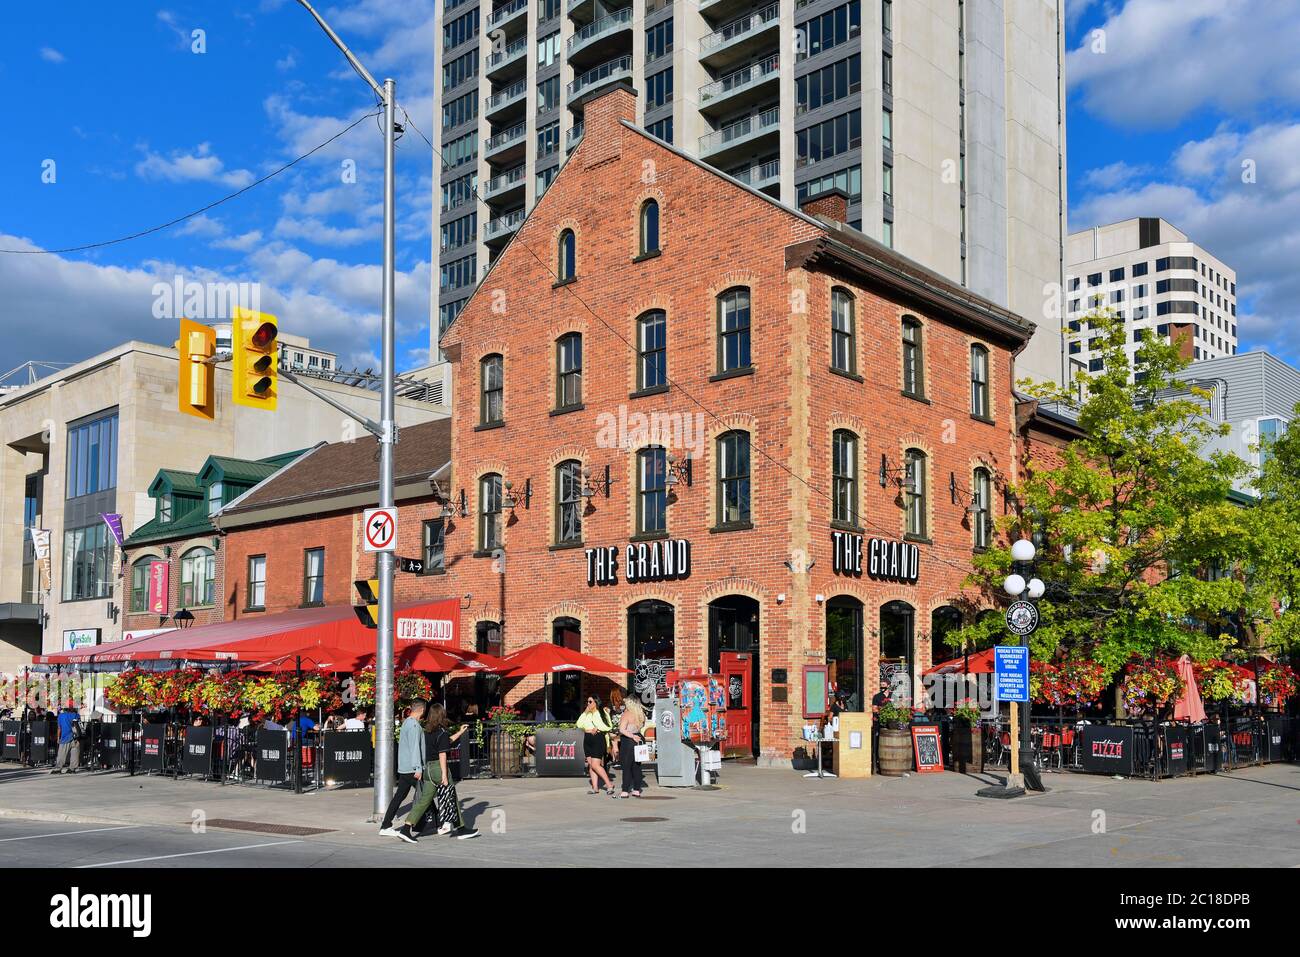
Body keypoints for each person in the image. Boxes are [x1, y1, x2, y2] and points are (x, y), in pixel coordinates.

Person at [398, 703, 478, 842]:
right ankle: (461, 829)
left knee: (423, 801)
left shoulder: (426, 731)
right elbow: (442, 753)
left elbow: (446, 742)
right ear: (442, 715)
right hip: (438, 768)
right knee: (452, 798)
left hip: (427, 770)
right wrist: (444, 775)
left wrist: (459, 732)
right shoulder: (442, 732)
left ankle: (405, 829)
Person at [380, 699, 428, 841]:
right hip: (412, 769)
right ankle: (414, 825)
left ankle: (386, 825)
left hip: (405, 767)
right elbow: (414, 748)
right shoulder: (413, 725)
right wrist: (418, 768)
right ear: (422, 709)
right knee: (426, 796)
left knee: (400, 797)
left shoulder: (407, 722)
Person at [576, 695, 614, 795]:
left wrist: (597, 728)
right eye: (587, 702)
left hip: (598, 738)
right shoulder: (587, 713)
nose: (588, 704)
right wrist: (585, 712)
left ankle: (609, 785)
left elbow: (609, 726)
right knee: (591, 765)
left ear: (596, 702)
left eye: (590, 702)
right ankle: (595, 787)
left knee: (595, 765)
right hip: (587, 739)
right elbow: (579, 724)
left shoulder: (602, 712)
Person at [617, 697, 648, 798]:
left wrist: (631, 736)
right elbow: (642, 726)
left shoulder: (627, 714)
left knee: (626, 766)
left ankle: (625, 790)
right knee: (637, 766)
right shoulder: (641, 714)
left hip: (629, 740)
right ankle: (636, 789)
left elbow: (622, 729)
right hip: (640, 739)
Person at [52, 701, 81, 774]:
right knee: (75, 753)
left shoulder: (61, 716)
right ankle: (72, 768)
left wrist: (58, 737)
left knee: (62, 753)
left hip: (65, 737)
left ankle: (58, 768)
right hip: (75, 737)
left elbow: (59, 728)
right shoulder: (76, 715)